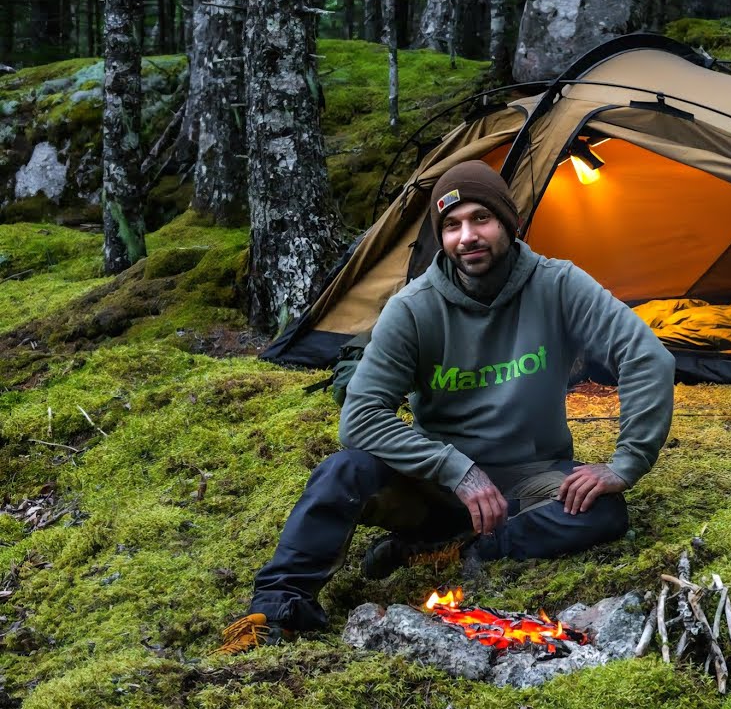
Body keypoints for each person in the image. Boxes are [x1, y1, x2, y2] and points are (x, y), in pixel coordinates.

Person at [216, 160, 675, 655]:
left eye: (481, 218)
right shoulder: (413, 308)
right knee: (342, 472)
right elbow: (361, 417)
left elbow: (646, 356)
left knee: (602, 511)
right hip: (437, 486)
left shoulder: (558, 285)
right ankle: (278, 609)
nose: (467, 236)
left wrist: (626, 463)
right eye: (452, 225)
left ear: (510, 223)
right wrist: (457, 470)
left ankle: (455, 550)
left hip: (532, 477)